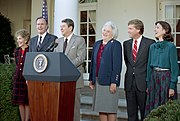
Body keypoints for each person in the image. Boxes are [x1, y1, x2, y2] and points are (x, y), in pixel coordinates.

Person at [89, 21, 122, 121]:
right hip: (98, 80)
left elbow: (117, 65)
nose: (105, 32)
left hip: (109, 82)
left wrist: (114, 82)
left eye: (108, 31)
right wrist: (91, 79)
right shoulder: (97, 44)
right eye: (104, 30)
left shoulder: (116, 44)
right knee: (101, 108)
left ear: (113, 33)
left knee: (110, 109)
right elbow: (93, 63)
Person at [54, 18, 86, 121]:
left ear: (70, 28)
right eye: (61, 26)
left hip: (74, 78)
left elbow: (80, 58)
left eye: (63, 26)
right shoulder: (57, 41)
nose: (61, 28)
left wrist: (66, 66)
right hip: (60, 80)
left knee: (74, 106)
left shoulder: (79, 40)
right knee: (62, 105)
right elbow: (55, 57)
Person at [145, 21, 179, 116]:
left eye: (157, 27)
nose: (155, 29)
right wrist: (148, 84)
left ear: (165, 30)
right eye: (155, 27)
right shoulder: (152, 47)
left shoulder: (171, 47)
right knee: (153, 107)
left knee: (165, 107)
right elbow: (149, 66)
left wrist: (172, 86)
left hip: (166, 79)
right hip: (154, 79)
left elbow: (175, 68)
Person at [123, 19, 155, 121]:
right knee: (131, 114)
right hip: (129, 83)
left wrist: (149, 83)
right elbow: (127, 62)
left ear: (138, 29)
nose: (128, 31)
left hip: (143, 83)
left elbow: (151, 64)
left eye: (130, 28)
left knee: (145, 113)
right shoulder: (126, 44)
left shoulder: (150, 43)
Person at [12, 29, 30, 121]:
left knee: (27, 102)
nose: (18, 41)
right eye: (17, 39)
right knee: (20, 102)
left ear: (25, 39)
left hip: (26, 79)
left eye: (20, 38)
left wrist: (28, 78)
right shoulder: (17, 51)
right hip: (18, 78)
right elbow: (17, 64)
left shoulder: (30, 50)